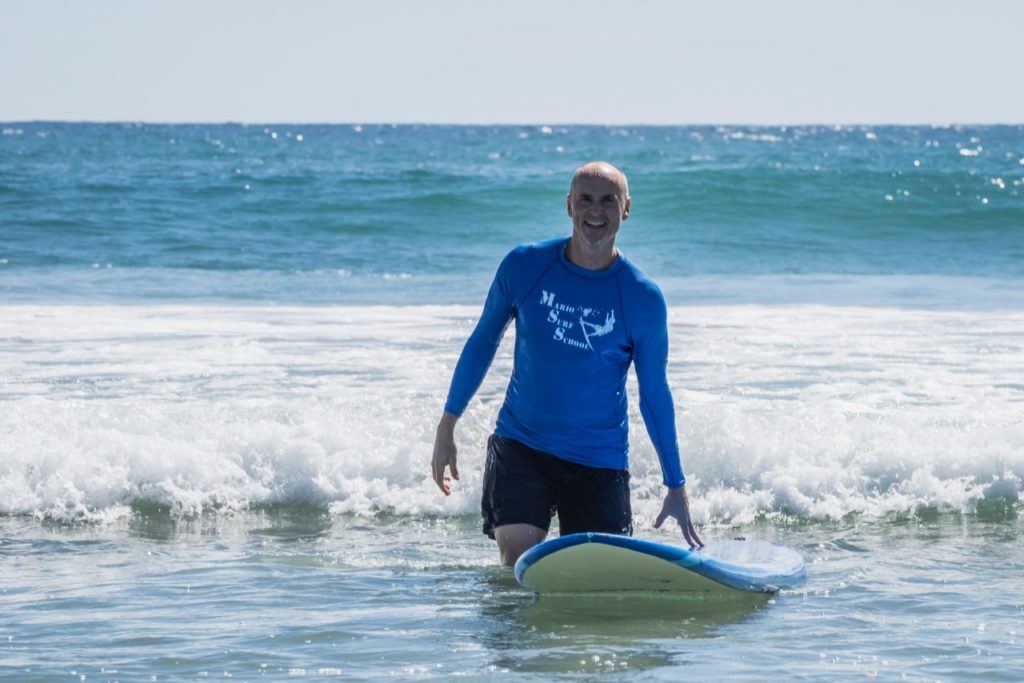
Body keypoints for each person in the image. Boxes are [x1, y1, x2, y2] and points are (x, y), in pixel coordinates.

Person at [431, 161, 702, 566]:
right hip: (523, 445)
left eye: (607, 201)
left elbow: (654, 394)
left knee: (592, 574)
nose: (596, 211)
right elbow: (483, 341)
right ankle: (505, 630)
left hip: (599, 459)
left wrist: (675, 484)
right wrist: (447, 424)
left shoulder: (642, 297)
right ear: (569, 205)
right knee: (521, 557)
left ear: (626, 208)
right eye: (585, 200)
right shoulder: (525, 267)